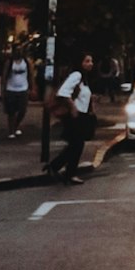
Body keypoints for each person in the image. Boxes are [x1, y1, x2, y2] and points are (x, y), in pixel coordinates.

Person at [45, 53, 95, 185]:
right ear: (80, 63)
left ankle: (60, 169)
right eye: (87, 61)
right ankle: (64, 171)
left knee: (76, 145)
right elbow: (63, 92)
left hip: (81, 115)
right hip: (74, 116)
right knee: (77, 144)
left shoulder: (84, 78)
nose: (90, 64)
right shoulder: (76, 75)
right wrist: (73, 108)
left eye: (91, 61)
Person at [0, 46, 35, 139]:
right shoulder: (9, 62)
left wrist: (32, 87)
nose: (18, 52)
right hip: (10, 89)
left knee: (22, 111)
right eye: (17, 50)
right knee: (11, 112)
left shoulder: (26, 62)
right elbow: (4, 76)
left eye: (20, 50)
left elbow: (30, 74)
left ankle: (15, 126)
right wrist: (2, 90)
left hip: (23, 89)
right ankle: (11, 131)